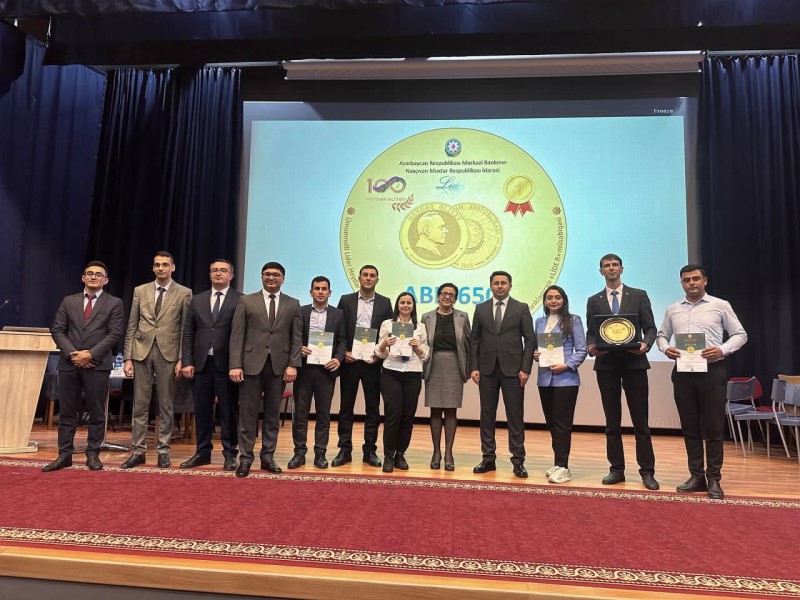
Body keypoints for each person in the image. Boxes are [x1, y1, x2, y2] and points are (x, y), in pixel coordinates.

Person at [656, 264, 747, 500]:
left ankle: (714, 479)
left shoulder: (720, 305)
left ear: (705, 280)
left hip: (712, 371)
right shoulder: (673, 309)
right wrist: (666, 349)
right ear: (681, 283)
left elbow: (740, 334)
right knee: (690, 427)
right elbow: (662, 335)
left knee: (713, 428)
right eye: (687, 280)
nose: (692, 283)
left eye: (696, 279)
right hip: (683, 372)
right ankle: (696, 476)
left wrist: (722, 350)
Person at [585, 253, 659, 490]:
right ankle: (616, 469)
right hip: (606, 366)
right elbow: (591, 332)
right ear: (601, 271)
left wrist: (646, 344)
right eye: (606, 266)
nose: (611, 268)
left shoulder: (639, 295)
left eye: (615, 265)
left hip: (635, 364)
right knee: (611, 422)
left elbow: (650, 328)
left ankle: (647, 472)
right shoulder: (594, 300)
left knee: (641, 422)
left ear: (622, 268)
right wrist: (591, 346)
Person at [44, 261, 124, 472]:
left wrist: (90, 354)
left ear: (106, 280)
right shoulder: (69, 301)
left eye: (98, 274)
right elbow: (58, 330)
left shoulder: (114, 303)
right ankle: (64, 455)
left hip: (97, 364)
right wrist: (73, 354)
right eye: (89, 273)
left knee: (96, 412)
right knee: (67, 412)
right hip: (69, 364)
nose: (93, 277)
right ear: (83, 278)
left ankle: (93, 455)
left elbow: (114, 333)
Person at [228, 261, 302, 478]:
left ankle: (268, 456)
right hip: (250, 365)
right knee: (248, 414)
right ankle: (245, 458)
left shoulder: (293, 304)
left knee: (272, 414)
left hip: (279, 366)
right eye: (267, 274)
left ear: (283, 279)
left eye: (276, 274)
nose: (271, 277)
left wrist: (293, 364)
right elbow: (237, 335)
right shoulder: (246, 301)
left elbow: (296, 338)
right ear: (261, 276)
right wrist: (235, 364)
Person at [122, 251, 192, 469]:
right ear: (153, 268)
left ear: (173, 267)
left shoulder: (184, 293)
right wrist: (127, 357)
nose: (161, 268)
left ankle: (163, 450)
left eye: (165, 265)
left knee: (166, 404)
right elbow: (131, 325)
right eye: (157, 265)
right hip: (141, 351)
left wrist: (181, 358)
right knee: (140, 404)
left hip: (168, 352)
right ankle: (138, 450)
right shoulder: (140, 290)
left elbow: (185, 329)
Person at [470, 270, 535, 478]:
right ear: (491, 286)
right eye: (496, 283)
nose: (500, 286)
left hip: (514, 371)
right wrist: (474, 367)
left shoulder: (521, 308)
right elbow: (474, 339)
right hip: (486, 369)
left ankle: (518, 461)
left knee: (515, 416)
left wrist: (525, 368)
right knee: (487, 415)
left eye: (503, 283)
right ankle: (488, 458)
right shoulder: (480, 308)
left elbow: (530, 339)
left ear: (510, 286)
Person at [179, 259, 242, 471]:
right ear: (209, 274)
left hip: (227, 366)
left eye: (223, 270)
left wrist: (237, 364)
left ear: (231, 275)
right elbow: (188, 332)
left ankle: (230, 454)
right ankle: (202, 452)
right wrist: (187, 361)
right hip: (201, 365)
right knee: (202, 411)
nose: (218, 273)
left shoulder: (240, 300)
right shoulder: (197, 300)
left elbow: (241, 335)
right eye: (214, 270)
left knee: (228, 412)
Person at [333, 265, 393, 468]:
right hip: (350, 361)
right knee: (346, 407)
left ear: (377, 279)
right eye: (365, 275)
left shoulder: (385, 303)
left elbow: (388, 333)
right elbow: (339, 328)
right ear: (359, 278)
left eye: (372, 275)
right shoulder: (346, 300)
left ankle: (370, 450)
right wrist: (343, 353)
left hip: (372, 363)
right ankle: (344, 449)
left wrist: (379, 354)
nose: (368, 278)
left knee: (373, 408)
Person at [289, 276, 347, 469]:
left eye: (324, 289)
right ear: (311, 292)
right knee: (301, 414)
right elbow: (293, 337)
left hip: (326, 372)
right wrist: (299, 348)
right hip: (304, 370)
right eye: (317, 288)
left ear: (330, 292)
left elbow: (342, 341)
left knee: (323, 415)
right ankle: (299, 453)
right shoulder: (301, 311)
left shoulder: (338, 314)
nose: (320, 292)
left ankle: (320, 453)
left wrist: (338, 358)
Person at [533, 285, 587, 484]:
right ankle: (557, 462)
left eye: (557, 297)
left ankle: (564, 467)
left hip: (566, 380)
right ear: (545, 301)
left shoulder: (573, 320)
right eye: (549, 298)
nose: (553, 301)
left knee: (562, 425)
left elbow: (582, 350)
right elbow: (538, 349)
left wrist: (567, 365)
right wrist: (536, 354)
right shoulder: (539, 322)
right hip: (544, 379)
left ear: (564, 300)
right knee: (551, 423)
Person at [375, 291, 430, 472]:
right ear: (397, 305)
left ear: (413, 306)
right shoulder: (387, 324)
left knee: (408, 416)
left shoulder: (420, 327)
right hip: (391, 372)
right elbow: (379, 353)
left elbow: (425, 355)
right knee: (393, 415)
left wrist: (417, 347)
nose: (405, 305)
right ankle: (388, 456)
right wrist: (385, 344)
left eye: (409, 303)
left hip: (412, 374)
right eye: (402, 302)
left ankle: (400, 454)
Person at [421, 283, 471, 471]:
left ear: (456, 298)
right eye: (444, 293)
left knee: (451, 410)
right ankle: (436, 452)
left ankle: (449, 453)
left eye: (451, 294)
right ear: (438, 296)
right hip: (433, 364)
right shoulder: (426, 317)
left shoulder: (462, 317)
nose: (447, 297)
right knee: (435, 410)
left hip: (454, 365)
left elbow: (469, 344)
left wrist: (469, 368)